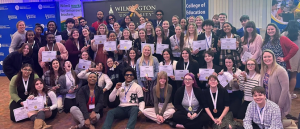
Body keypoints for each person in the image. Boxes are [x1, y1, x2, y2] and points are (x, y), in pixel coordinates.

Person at [260, 49, 291, 118]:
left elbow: (285, 89)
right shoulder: (263, 69)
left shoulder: (280, 70)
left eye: (269, 56)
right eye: (265, 57)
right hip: (267, 100)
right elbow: (261, 87)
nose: (267, 59)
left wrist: (279, 106)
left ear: (273, 58)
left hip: (277, 101)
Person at [281, 20, 300, 99]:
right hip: (296, 57)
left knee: (282, 76)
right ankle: (290, 94)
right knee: (293, 76)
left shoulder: (283, 34)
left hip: (284, 57)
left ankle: (282, 93)